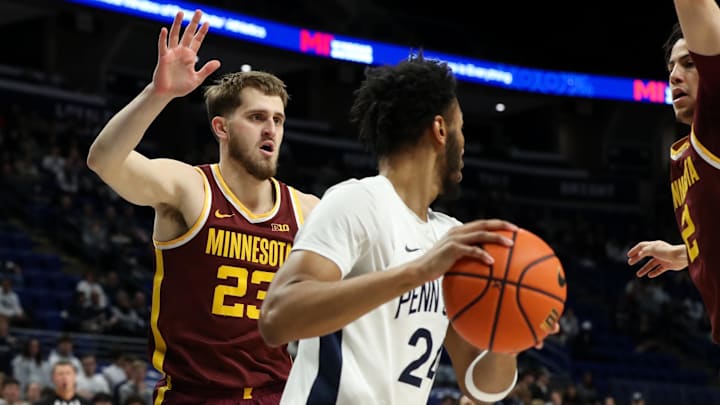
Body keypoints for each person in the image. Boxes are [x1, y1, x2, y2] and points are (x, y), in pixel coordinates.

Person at [259, 52, 555, 404]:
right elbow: (277, 318)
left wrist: (508, 341)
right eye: (462, 129)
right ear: (440, 130)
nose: (465, 146)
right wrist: (418, 272)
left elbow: (479, 387)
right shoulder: (357, 201)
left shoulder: (451, 236)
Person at [86, 9, 318, 404]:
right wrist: (158, 94)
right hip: (193, 395)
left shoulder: (306, 209)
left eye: (278, 120)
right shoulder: (190, 188)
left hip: (275, 395)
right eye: (257, 117)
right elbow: (103, 160)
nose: (271, 130)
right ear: (221, 128)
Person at [626, 0, 720, 343]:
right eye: (670, 67)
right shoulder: (691, 152)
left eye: (689, 63)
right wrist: (688, 253)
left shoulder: (715, 123)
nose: (673, 75)